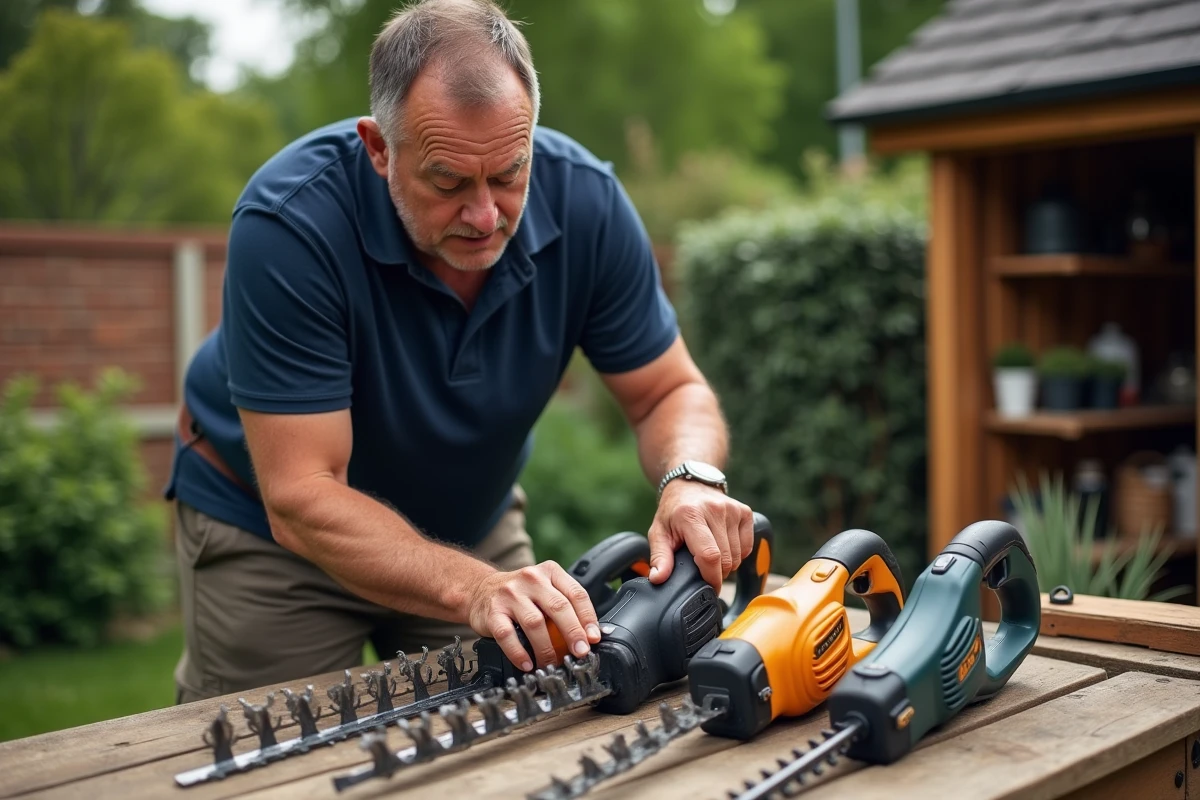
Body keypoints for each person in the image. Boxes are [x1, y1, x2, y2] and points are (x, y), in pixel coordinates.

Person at [164, 0, 755, 704]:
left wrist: (689, 476)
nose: (485, 214)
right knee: (275, 759)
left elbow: (667, 392)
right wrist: (476, 588)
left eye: (509, 174)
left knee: (526, 731)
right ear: (379, 148)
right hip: (272, 537)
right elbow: (301, 493)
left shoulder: (586, 202)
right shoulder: (290, 224)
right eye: (448, 182)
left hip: (468, 526)